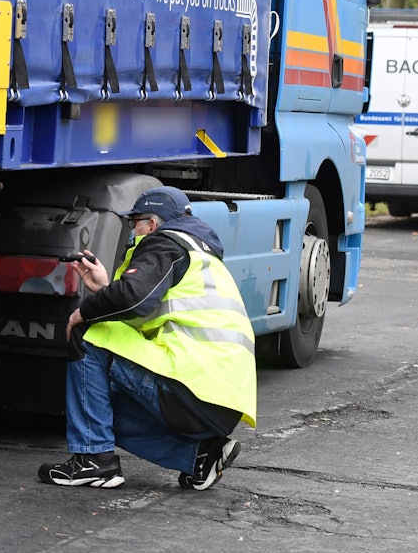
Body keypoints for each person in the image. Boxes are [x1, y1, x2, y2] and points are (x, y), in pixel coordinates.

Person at [38, 185, 256, 491]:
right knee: (96, 404)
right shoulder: (200, 255)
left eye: (134, 222)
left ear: (151, 224)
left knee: (88, 334)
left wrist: (83, 312)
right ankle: (199, 457)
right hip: (218, 401)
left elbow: (134, 298)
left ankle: (94, 461)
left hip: (190, 387)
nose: (132, 230)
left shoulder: (165, 244)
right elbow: (147, 311)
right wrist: (105, 288)